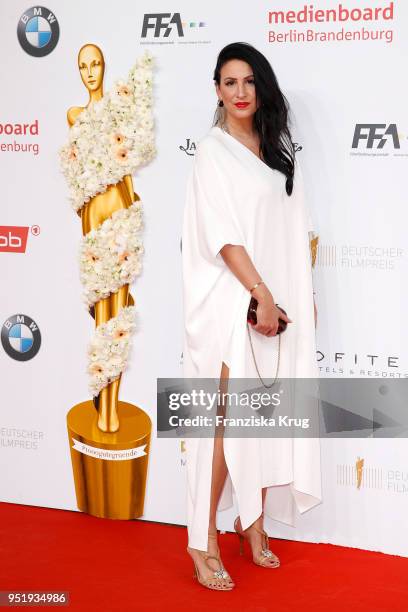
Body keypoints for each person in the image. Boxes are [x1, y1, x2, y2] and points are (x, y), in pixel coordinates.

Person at [181, 42, 322, 591]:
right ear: (217, 89)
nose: (239, 92)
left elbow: (293, 228)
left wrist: (298, 294)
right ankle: (202, 538)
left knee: (263, 415)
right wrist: (259, 293)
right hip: (229, 299)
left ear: (261, 86)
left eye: (248, 81)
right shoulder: (213, 152)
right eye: (228, 82)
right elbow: (222, 235)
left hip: (277, 302)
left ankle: (253, 524)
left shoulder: (277, 149)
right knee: (226, 425)